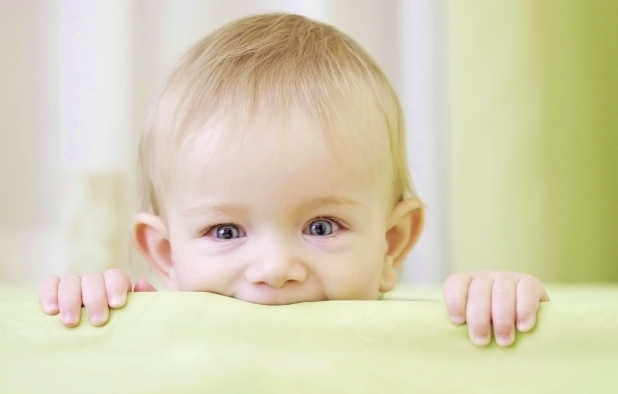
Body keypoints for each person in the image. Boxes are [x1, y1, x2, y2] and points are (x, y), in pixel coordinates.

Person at [37, 13, 548, 347]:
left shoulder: (419, 344)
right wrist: (93, 312)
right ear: (167, 255)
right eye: (226, 232)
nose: (276, 269)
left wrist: (496, 303)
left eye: (322, 227)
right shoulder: (149, 336)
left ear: (391, 245)